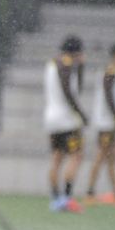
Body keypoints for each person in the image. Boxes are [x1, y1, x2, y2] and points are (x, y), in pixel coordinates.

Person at [43, 35, 87, 213]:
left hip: (51, 118)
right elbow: (70, 91)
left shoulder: (51, 63)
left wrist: (81, 67)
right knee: (76, 156)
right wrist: (81, 113)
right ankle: (67, 199)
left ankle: (55, 199)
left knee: (56, 158)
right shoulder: (66, 63)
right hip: (67, 119)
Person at [86, 43, 115, 205]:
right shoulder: (111, 70)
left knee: (112, 157)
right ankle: (90, 192)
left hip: (109, 123)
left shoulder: (114, 70)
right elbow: (108, 94)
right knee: (101, 155)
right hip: (106, 122)